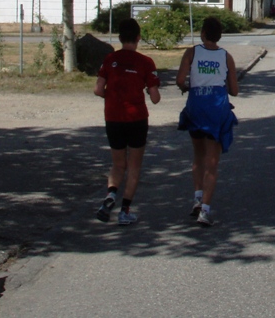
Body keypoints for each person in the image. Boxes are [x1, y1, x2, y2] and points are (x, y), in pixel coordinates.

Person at [94, 18, 161, 225]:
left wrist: (113, 96)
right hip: (137, 118)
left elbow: (98, 89)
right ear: (138, 38)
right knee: (134, 165)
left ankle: (110, 196)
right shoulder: (146, 62)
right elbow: (155, 97)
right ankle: (125, 211)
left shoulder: (109, 59)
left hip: (113, 117)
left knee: (117, 164)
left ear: (120, 38)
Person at [176, 16, 239, 227]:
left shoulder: (192, 52)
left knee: (198, 155)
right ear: (219, 36)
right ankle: (205, 210)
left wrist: (188, 86)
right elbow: (235, 91)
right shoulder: (226, 56)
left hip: (196, 106)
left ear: (203, 34)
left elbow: (179, 80)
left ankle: (197, 196)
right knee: (212, 162)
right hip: (216, 108)